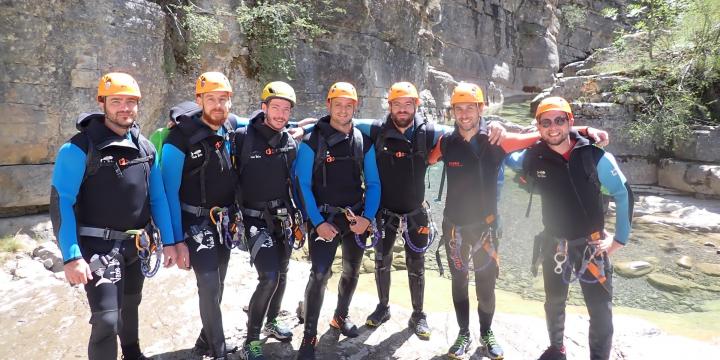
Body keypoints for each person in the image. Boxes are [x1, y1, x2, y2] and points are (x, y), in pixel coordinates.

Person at [428, 84, 609, 360]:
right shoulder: (446, 143)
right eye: (458, 108)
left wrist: (582, 131)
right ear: (451, 111)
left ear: (481, 109)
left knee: (486, 286)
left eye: (470, 108)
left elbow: (548, 132)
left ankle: (487, 334)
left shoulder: (498, 141)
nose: (464, 114)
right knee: (459, 280)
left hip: (485, 228)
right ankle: (463, 333)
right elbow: (423, 162)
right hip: (453, 226)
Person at [353, 82, 506, 340]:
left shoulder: (431, 132)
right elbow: (345, 121)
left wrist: (493, 124)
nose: (402, 109)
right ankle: (382, 307)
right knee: (382, 260)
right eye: (397, 104)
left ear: (416, 105)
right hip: (384, 211)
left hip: (415, 211)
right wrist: (302, 126)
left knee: (417, 263)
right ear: (389, 106)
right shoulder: (377, 130)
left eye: (408, 104)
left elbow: (465, 129)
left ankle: (418, 314)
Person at [50, 72, 176, 360]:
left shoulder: (144, 147)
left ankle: (133, 354)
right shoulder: (78, 148)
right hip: (98, 249)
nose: (125, 108)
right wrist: (71, 256)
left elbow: (157, 198)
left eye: (131, 101)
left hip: (137, 246)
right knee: (106, 319)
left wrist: (170, 242)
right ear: (102, 103)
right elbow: (62, 203)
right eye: (116, 101)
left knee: (131, 306)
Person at [508, 97, 632, 360]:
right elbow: (506, 154)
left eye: (560, 120)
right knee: (553, 302)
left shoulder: (594, 156)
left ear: (570, 122)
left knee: (600, 312)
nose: (553, 128)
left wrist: (619, 240)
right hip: (554, 244)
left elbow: (624, 194)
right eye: (546, 122)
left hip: (592, 246)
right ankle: (557, 348)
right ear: (538, 126)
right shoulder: (534, 157)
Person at [294, 82, 381, 360]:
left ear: (355, 108)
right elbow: (302, 183)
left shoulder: (362, 142)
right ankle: (309, 332)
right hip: (324, 217)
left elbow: (375, 183)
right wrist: (317, 222)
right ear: (328, 106)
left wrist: (367, 218)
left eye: (349, 105)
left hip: (354, 217)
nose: (343, 110)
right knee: (319, 274)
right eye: (338, 104)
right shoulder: (313, 141)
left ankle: (339, 318)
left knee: (352, 271)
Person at [160, 72, 239, 359]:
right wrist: (175, 240)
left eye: (223, 99)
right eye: (211, 99)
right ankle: (219, 351)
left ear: (230, 101)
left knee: (218, 282)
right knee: (207, 283)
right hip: (193, 222)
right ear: (199, 101)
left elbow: (261, 121)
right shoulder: (178, 138)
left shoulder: (229, 125)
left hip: (224, 223)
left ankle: (205, 340)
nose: (217, 105)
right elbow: (167, 192)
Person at [234, 81, 304, 359]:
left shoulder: (289, 142)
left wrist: (301, 218)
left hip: (282, 217)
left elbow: (295, 182)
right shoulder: (242, 137)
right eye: (275, 107)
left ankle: (272, 321)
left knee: (283, 272)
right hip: (253, 218)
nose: (280, 114)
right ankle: (251, 339)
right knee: (269, 276)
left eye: (286, 110)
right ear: (263, 108)